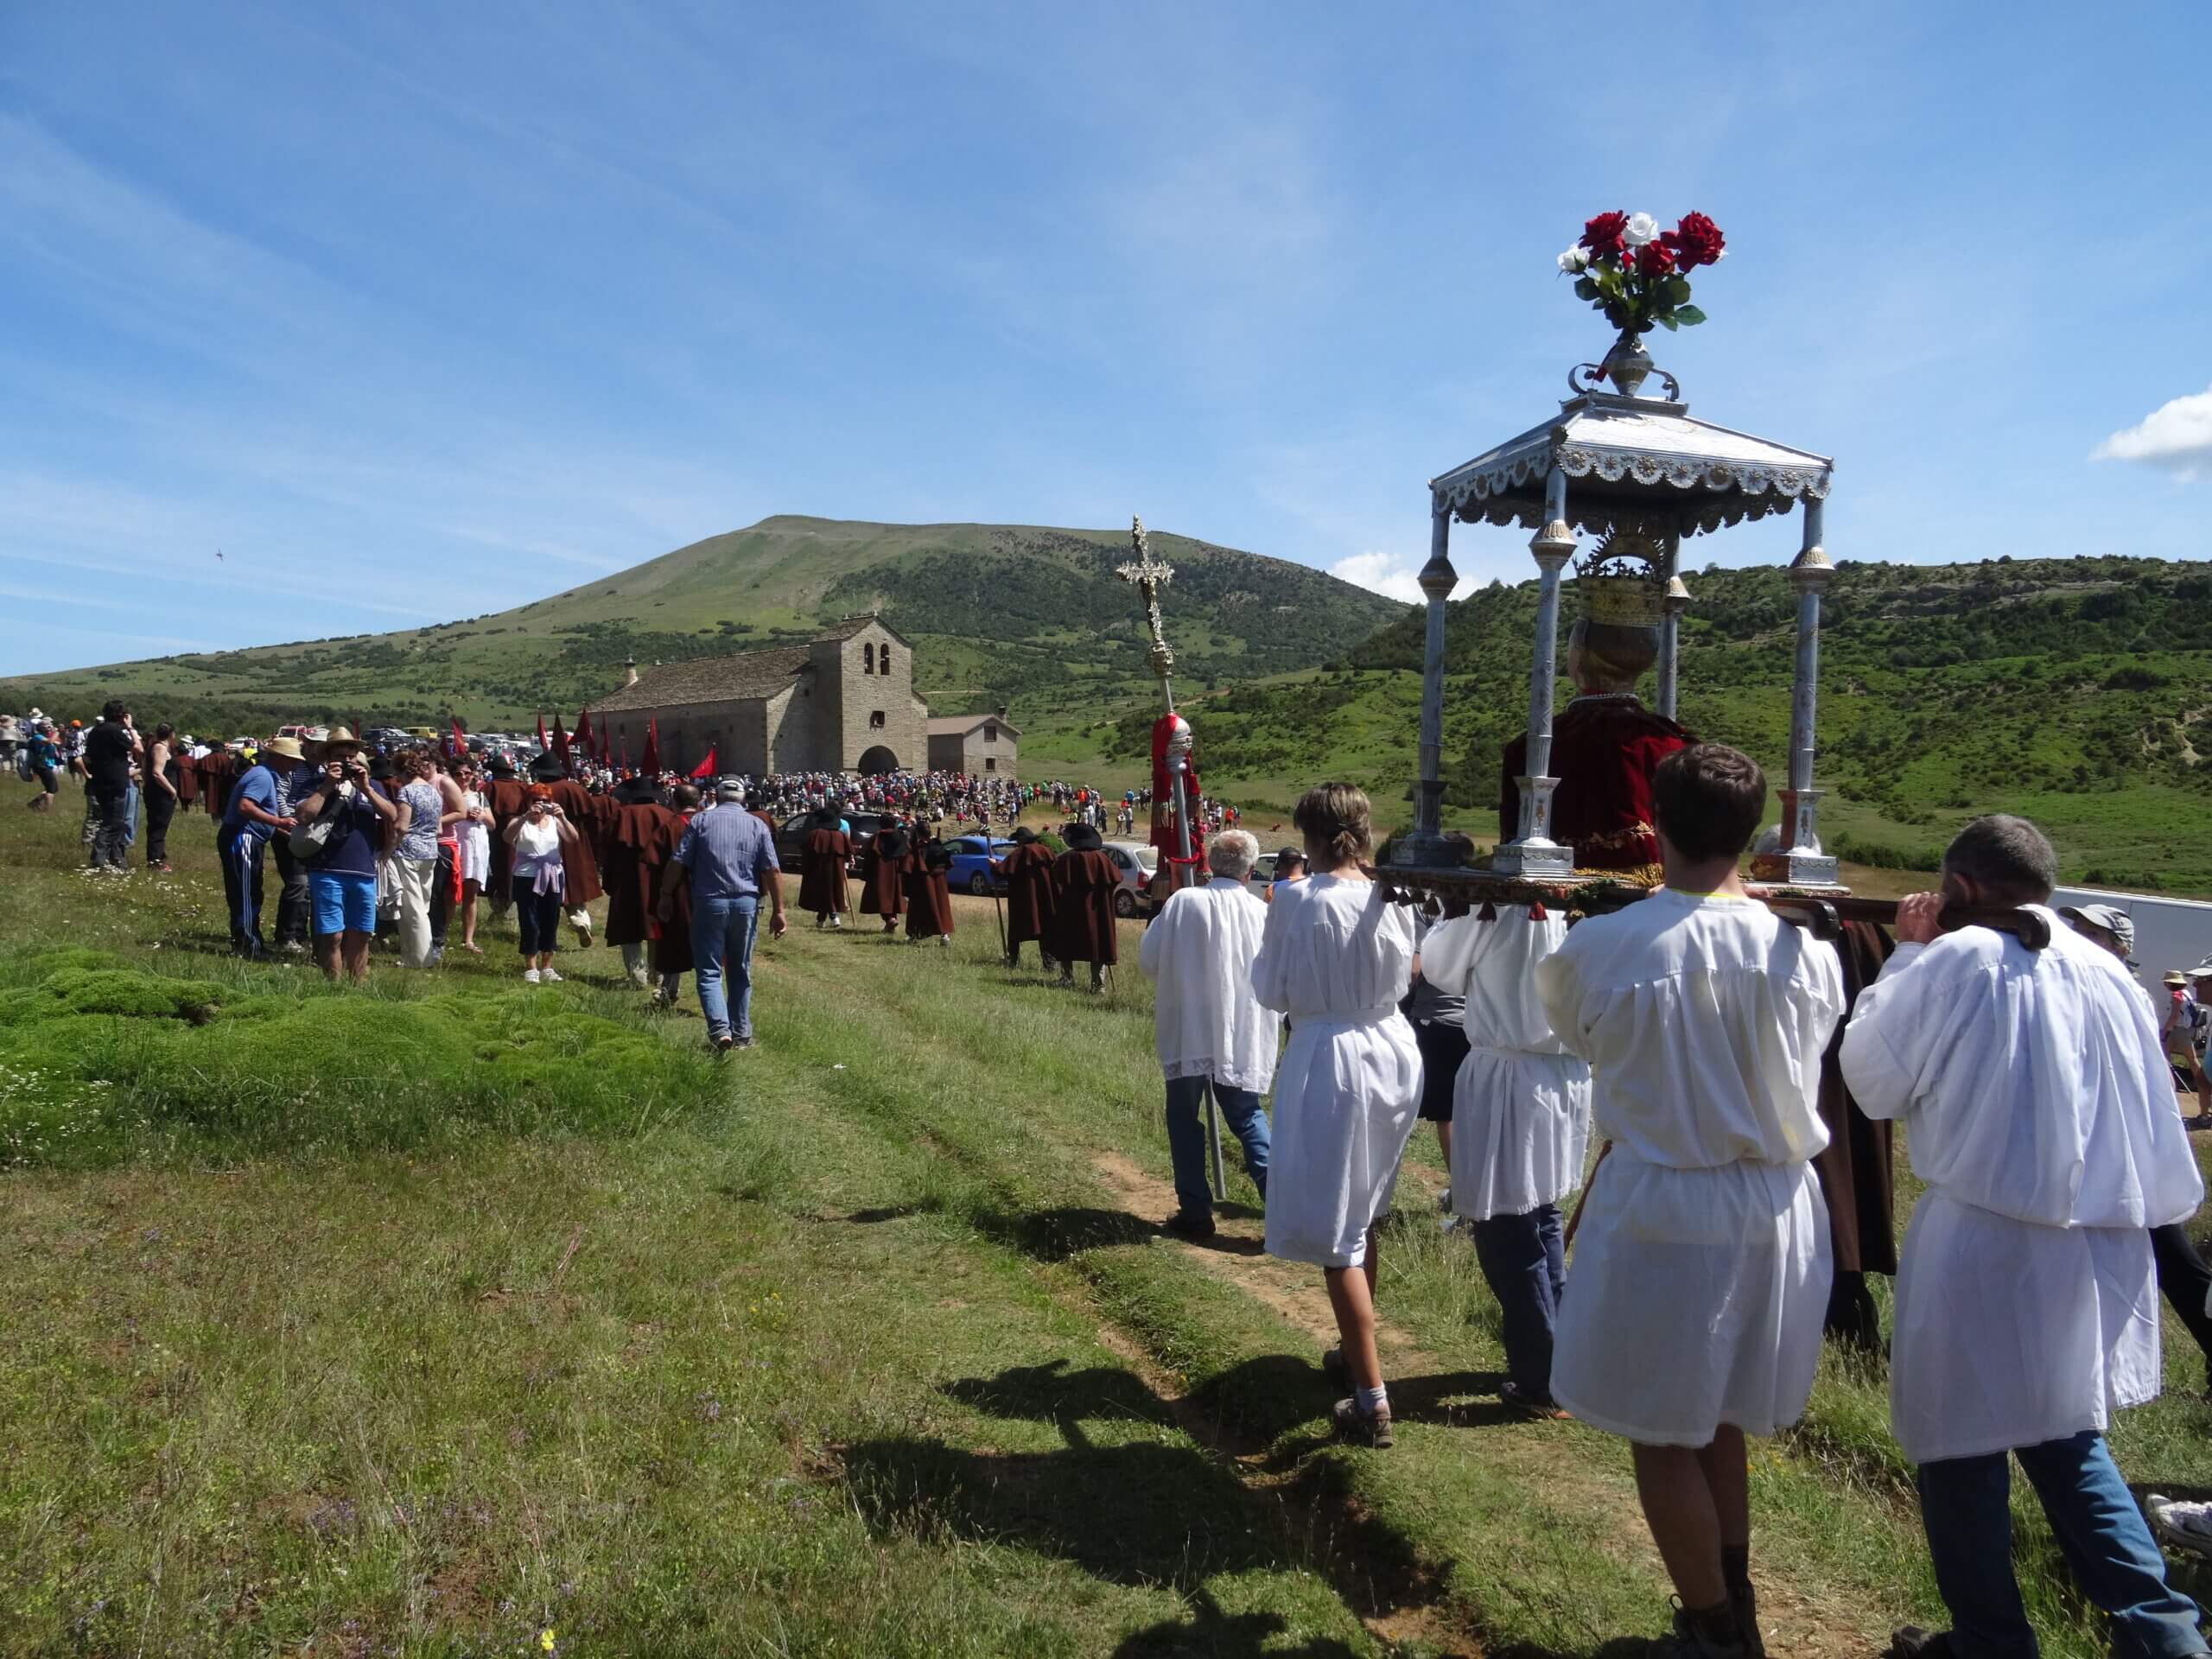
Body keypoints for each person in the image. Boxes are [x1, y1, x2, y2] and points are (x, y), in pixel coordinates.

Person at [1840, 817, 2209, 1659]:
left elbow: (1874, 1081)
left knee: (1957, 1446)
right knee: (2068, 1443)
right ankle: (2166, 1637)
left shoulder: (1954, 961)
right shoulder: (2108, 972)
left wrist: (1904, 954)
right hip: (2092, 1244)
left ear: (1961, 888)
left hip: (1983, 1240)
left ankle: (1989, 1641)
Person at [1537, 744, 1842, 1659]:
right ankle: (1730, 1603)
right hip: (1779, 1203)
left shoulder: (1603, 944)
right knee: (1712, 1414)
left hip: (1669, 1201)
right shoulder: (1801, 947)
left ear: (1655, 826)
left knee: (1657, 1428)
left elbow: (1581, 1039)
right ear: (1751, 832)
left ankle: (1712, 1631)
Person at [1250, 784, 1421, 1449]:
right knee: (1365, 1207)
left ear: (1312, 835)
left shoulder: (1296, 899)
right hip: (1393, 1047)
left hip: (1334, 1052)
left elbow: (1270, 991)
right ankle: (1354, 1356)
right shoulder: (1392, 894)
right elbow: (1410, 972)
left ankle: (1372, 1397)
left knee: (1336, 1227)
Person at [1420, 878, 1592, 1419]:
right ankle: (1563, 1362)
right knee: (1541, 1216)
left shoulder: (1497, 903)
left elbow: (1439, 966)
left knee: (1502, 1225)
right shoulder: (1586, 898)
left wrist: (1457, 910)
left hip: (1509, 1073)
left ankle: (1541, 1377)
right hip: (1564, 1072)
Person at [2060, 906, 2212, 1399]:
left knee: (2172, 1258)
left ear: (2119, 945)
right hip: (2101, 1146)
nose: (2077, 936)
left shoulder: (2120, 992)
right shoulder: (2087, 982)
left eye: (2090, 931)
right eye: (2075, 928)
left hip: (2123, 1149)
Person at [1138, 829, 1281, 1240]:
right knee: (1248, 1117)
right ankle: (1282, 1210)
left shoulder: (1184, 903)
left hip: (1189, 1029)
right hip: (1239, 1032)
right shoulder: (1262, 913)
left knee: (1184, 1120)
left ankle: (1196, 1211)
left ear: (1210, 864)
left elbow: (1149, 961)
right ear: (1251, 869)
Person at [673, 777, 788, 1051]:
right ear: (743, 798)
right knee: (740, 969)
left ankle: (719, 1029)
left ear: (716, 795)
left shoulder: (700, 822)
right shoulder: (756, 824)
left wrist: (666, 894)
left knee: (710, 971)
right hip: (746, 902)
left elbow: (678, 861)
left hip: (709, 901)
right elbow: (772, 870)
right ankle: (741, 1033)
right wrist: (779, 910)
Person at [292, 730, 397, 985]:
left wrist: (366, 789)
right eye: (341, 757)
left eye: (352, 756)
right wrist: (328, 785)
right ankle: (334, 988)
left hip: (363, 871)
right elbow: (304, 816)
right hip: (327, 869)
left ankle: (358, 988)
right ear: (328, 758)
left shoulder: (372, 786)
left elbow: (392, 816)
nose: (348, 761)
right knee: (332, 936)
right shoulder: (315, 783)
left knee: (362, 934)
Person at [217, 737, 302, 957]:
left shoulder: (264, 775)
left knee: (249, 891)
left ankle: (249, 940)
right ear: (280, 759)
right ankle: (248, 944)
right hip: (243, 837)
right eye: (292, 761)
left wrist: (281, 831)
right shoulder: (263, 777)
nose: (295, 766)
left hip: (248, 837)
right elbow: (245, 806)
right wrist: (280, 823)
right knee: (246, 893)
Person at [501, 784, 585, 983]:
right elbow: (507, 837)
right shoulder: (520, 822)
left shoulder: (555, 822)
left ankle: (547, 965)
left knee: (551, 918)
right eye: (536, 800)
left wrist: (563, 817)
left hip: (553, 874)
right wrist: (524, 817)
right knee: (529, 919)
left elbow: (573, 838)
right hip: (526, 875)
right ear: (528, 802)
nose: (541, 804)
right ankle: (531, 966)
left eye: (545, 801)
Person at [1049, 822, 1122, 993]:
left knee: (1067, 941)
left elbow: (1056, 878)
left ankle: (1067, 978)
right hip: (1098, 911)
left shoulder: (1067, 859)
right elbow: (1116, 878)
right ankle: (1098, 985)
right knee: (1097, 944)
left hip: (1071, 910)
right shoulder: (1102, 859)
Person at [391, 750, 445, 969]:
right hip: (430, 851)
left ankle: (422, 959)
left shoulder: (406, 792)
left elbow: (401, 826)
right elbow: (438, 826)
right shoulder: (433, 792)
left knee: (413, 910)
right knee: (421, 905)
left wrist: (388, 848)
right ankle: (411, 955)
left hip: (409, 852)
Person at [82, 701, 138, 873]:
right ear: (121, 715)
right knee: (114, 822)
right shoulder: (115, 731)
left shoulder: (95, 731)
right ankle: (98, 857)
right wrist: (130, 728)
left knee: (110, 819)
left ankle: (116, 858)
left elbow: (88, 756)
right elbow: (137, 747)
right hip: (115, 780)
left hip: (99, 780)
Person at [993, 825, 1058, 969]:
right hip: (1045, 900)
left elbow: (1003, 871)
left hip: (1023, 901)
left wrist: (994, 865)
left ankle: (1013, 962)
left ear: (1022, 840)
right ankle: (1049, 964)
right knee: (1045, 930)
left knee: (1016, 931)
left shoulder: (1020, 852)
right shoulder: (1046, 851)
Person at [799, 806, 852, 931]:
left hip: (818, 869)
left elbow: (806, 851)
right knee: (830, 891)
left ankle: (832, 916)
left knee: (824, 891)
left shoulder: (815, 834)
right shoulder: (840, 836)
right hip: (836, 870)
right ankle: (822, 918)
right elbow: (848, 854)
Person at [905, 832, 956, 946]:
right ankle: (944, 935)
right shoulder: (938, 846)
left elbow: (909, 866)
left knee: (918, 909)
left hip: (924, 881)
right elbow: (949, 863)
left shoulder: (919, 849)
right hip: (940, 881)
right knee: (941, 906)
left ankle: (914, 935)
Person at [143, 722, 180, 873]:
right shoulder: (160, 748)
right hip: (160, 794)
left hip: (155, 792)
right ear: (172, 734)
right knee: (158, 827)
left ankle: (158, 858)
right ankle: (156, 861)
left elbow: (146, 769)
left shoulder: (154, 746)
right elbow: (157, 772)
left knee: (157, 827)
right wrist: (172, 790)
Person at [858, 823, 908, 934]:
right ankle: (891, 923)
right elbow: (906, 853)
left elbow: (867, 852)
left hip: (880, 871)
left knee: (880, 897)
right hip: (896, 872)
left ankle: (890, 919)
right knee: (893, 896)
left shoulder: (877, 836)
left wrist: (867, 871)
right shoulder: (901, 836)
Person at [24, 721, 60, 810]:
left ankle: (34, 802)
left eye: (50, 726)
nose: (49, 728)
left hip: (46, 765)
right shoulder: (38, 736)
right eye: (47, 726)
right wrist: (56, 732)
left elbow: (58, 744)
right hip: (41, 765)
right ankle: (46, 811)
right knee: (50, 790)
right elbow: (49, 742)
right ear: (40, 728)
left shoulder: (46, 737)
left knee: (54, 788)